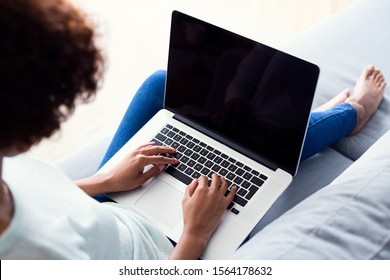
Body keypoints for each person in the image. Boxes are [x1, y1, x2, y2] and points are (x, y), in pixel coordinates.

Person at [0, 0, 386, 260]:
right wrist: (195, 234)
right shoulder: (31, 253)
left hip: (99, 207)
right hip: (162, 248)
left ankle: (310, 120)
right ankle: (350, 113)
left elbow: (47, 205)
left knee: (162, 86)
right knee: (259, 145)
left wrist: (103, 180)